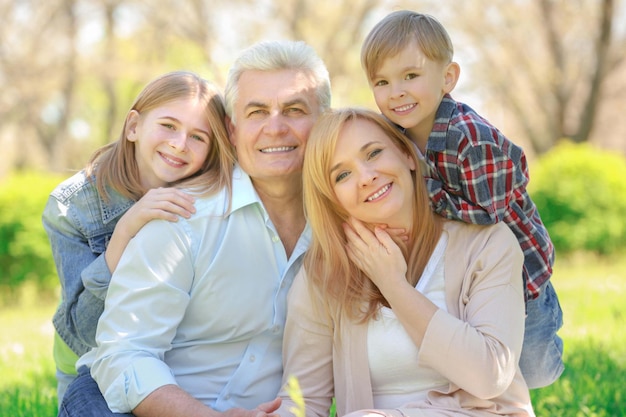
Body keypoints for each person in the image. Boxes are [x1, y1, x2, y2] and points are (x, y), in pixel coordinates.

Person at [57, 39, 332, 417]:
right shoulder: (181, 217)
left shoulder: (342, 228)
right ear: (232, 131)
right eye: (257, 112)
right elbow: (125, 352)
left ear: (325, 122)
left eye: (294, 109)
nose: (275, 127)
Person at [277, 108, 535, 417]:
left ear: (407, 155)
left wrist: (393, 285)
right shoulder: (324, 273)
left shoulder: (486, 243)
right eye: (342, 175)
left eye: (373, 153)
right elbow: (303, 401)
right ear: (333, 199)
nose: (366, 177)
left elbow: (490, 374)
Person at [360, 10, 563, 388]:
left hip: (521, 275)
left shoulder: (471, 139)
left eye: (411, 76)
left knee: (533, 370)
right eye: (382, 82)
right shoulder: (394, 132)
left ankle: (551, 342)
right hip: (467, 272)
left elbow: (491, 213)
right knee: (476, 363)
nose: (396, 92)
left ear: (448, 78)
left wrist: (425, 190)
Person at [42, 70, 234, 405]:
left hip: (171, 366)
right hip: (89, 371)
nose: (179, 144)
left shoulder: (212, 201)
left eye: (198, 137)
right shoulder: (71, 208)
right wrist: (127, 229)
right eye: (169, 126)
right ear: (134, 127)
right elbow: (83, 335)